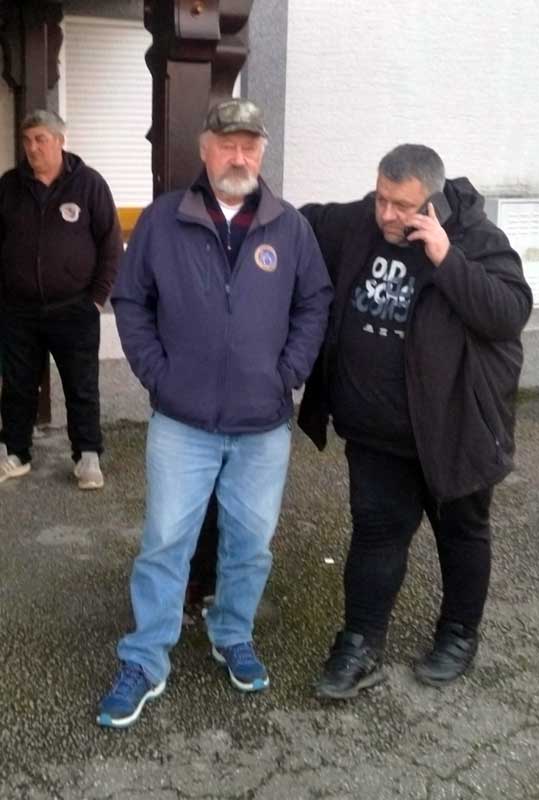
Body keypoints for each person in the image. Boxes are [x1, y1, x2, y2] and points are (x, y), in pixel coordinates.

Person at [98, 99, 332, 728]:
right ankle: (145, 658)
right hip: (183, 423)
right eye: (228, 143)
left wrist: (288, 372)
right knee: (165, 543)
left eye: (250, 145)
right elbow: (130, 299)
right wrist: (158, 373)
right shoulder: (164, 220)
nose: (239, 156)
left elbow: (315, 302)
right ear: (205, 149)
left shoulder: (289, 228)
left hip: (262, 427)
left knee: (251, 545)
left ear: (261, 152)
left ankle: (232, 633)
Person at [298, 143, 533, 699]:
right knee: (375, 536)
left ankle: (458, 634)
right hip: (375, 433)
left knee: (461, 534)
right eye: (380, 198)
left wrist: (447, 259)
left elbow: (508, 314)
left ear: (431, 201)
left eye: (400, 205)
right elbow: (296, 224)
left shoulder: (475, 238)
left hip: (453, 430)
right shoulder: (360, 222)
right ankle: (360, 644)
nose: (385, 214)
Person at [0, 110, 122, 489]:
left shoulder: (89, 185)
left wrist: (97, 298)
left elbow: (110, 243)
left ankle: (87, 456)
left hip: (75, 308)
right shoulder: (9, 186)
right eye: (27, 140)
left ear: (60, 140)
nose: (33, 148)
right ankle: (15, 453)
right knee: (18, 385)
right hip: (18, 310)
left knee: (81, 385)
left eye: (41, 139)